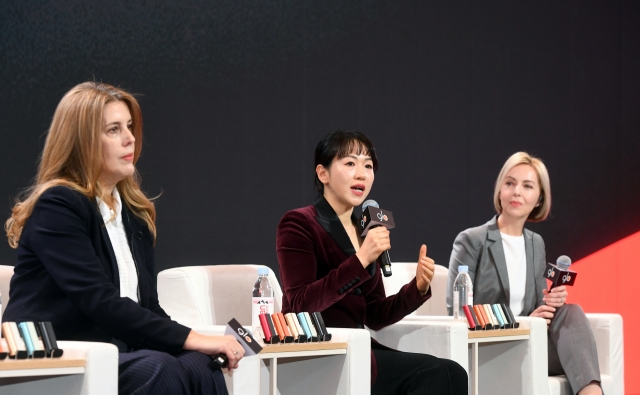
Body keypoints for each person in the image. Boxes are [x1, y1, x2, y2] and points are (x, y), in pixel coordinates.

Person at [3, 82, 244, 395]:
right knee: (161, 369)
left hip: (120, 349)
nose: (130, 138)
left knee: (200, 364)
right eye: (113, 129)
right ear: (83, 142)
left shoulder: (133, 212)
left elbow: (148, 307)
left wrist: (197, 345)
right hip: (57, 355)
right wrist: (194, 337)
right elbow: (99, 300)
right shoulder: (59, 205)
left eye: (129, 126)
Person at [276, 130, 467, 395]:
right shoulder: (299, 223)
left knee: (453, 371)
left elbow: (375, 315)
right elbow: (300, 304)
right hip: (320, 351)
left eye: (368, 166)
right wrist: (361, 259)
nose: (362, 174)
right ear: (323, 174)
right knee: (435, 374)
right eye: (350, 163)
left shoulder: (366, 226)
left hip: (361, 349)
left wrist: (418, 288)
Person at [446, 152, 602, 395]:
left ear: (539, 198)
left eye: (527, 186)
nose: (517, 191)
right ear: (500, 191)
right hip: (488, 346)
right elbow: (455, 311)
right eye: (510, 183)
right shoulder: (471, 240)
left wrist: (548, 306)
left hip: (528, 341)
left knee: (570, 311)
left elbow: (536, 307)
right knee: (580, 354)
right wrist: (524, 321)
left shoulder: (535, 243)